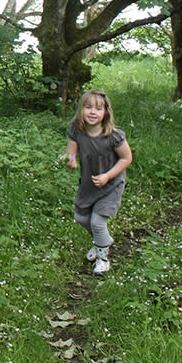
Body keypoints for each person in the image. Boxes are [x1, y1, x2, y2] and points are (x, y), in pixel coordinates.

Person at [65, 89, 132, 274]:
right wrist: (71, 159)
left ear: (105, 112)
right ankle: (102, 241)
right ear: (81, 110)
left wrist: (108, 176)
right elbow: (71, 151)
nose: (92, 112)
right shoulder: (76, 131)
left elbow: (126, 159)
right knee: (81, 217)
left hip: (111, 184)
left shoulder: (113, 136)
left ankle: (103, 257)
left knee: (97, 222)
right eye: (88, 107)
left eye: (98, 108)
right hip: (89, 183)